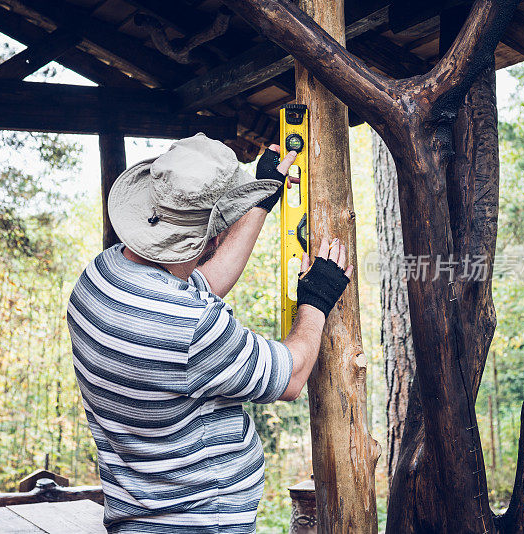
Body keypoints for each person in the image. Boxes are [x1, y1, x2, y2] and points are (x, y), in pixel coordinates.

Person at [67, 132, 353, 533]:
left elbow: (195, 284)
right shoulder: (191, 327)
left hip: (138, 515)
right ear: (213, 236)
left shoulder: (101, 275)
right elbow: (290, 377)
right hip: (202, 519)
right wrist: (318, 298)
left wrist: (258, 204)